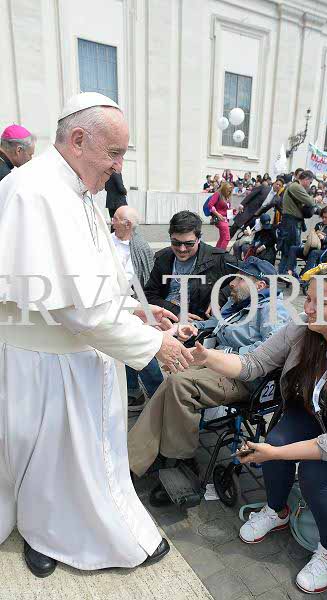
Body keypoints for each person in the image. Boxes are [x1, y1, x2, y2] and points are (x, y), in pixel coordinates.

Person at [0, 92, 195, 577]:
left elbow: (95, 282)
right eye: (115, 153)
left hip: (84, 358)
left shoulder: (79, 191)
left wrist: (138, 310)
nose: (118, 165)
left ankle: (80, 524)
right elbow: (74, 308)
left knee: (80, 458)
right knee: (47, 458)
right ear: (78, 139)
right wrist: (154, 344)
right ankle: (43, 534)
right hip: (46, 363)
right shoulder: (33, 190)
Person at [189, 255, 327, 594]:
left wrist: (277, 454)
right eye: (308, 297)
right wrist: (205, 356)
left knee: (315, 474)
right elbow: (253, 364)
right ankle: (277, 510)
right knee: (277, 438)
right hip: (321, 412)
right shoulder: (303, 328)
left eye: (320, 302)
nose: (307, 308)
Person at [128, 257, 291, 491]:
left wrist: (224, 353)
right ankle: (141, 455)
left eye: (239, 279)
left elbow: (270, 353)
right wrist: (195, 327)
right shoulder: (238, 303)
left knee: (180, 384)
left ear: (260, 286)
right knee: (174, 374)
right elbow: (218, 323)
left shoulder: (272, 310)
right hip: (218, 363)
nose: (231, 283)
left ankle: (178, 458)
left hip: (244, 376)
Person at [111, 206, 164, 410]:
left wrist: (146, 309)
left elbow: (147, 280)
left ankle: (159, 394)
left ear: (127, 224)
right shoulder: (107, 241)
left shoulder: (140, 247)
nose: (111, 221)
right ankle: (133, 391)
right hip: (112, 303)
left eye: (115, 218)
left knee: (143, 349)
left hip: (134, 304)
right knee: (123, 348)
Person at [144, 210, 237, 320]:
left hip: (201, 323)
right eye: (176, 242)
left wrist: (220, 297)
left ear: (198, 239)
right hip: (167, 319)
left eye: (189, 244)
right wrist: (176, 311)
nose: (182, 249)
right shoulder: (163, 258)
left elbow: (250, 276)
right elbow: (149, 295)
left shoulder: (220, 259)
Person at [287, 205, 327, 279]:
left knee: (314, 253)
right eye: (323, 217)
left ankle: (304, 276)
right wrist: (310, 237)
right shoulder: (319, 225)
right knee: (293, 248)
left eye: (326, 217)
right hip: (313, 249)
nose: (324, 219)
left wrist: (325, 238)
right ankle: (290, 272)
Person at [278, 170, 316, 274]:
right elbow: (310, 202)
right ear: (306, 179)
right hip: (291, 223)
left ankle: (283, 274)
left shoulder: (293, 186)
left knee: (288, 251)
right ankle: (286, 274)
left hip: (290, 222)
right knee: (291, 250)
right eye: (310, 182)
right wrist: (315, 199)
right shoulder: (296, 187)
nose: (309, 185)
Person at [208, 181, 233, 250]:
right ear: (224, 189)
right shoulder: (218, 194)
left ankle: (216, 252)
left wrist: (233, 211)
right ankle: (221, 254)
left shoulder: (226, 197)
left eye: (230, 191)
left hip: (225, 219)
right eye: (228, 191)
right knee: (226, 238)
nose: (229, 192)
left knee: (222, 237)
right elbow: (210, 205)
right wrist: (218, 214)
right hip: (219, 219)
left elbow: (226, 209)